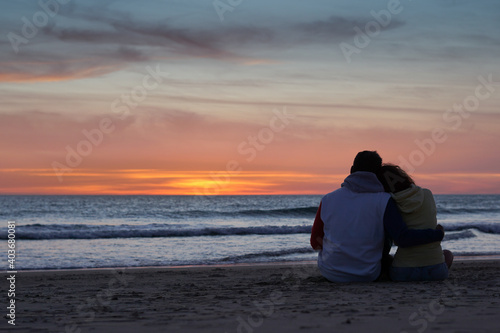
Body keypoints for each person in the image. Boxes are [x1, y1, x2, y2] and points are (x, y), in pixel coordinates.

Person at [310, 151, 445, 282]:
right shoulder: (384, 200)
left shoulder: (328, 199)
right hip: (368, 273)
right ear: (378, 174)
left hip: (330, 272)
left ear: (351, 170)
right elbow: (399, 236)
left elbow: (315, 242)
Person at [377, 164, 453, 281]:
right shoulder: (427, 194)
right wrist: (437, 233)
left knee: (387, 260)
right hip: (436, 271)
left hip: (403, 272)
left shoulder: (389, 202)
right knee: (448, 254)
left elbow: (397, 238)